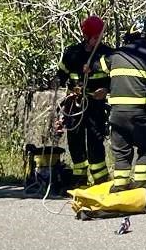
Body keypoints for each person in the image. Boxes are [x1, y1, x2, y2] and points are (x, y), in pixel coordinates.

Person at [100, 18, 146, 194]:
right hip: (141, 114)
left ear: (129, 35)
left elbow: (98, 66)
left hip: (116, 114)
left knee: (121, 153)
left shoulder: (116, 55)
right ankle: (140, 191)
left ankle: (120, 188)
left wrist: (89, 68)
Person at [55, 15, 110, 188]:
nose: (98, 40)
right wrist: (58, 82)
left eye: (100, 36)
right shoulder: (72, 53)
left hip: (95, 106)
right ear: (86, 36)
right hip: (75, 105)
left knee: (95, 142)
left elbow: (115, 78)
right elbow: (61, 76)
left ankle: (100, 181)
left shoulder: (107, 54)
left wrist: (106, 90)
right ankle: (79, 180)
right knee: (75, 142)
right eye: (95, 37)